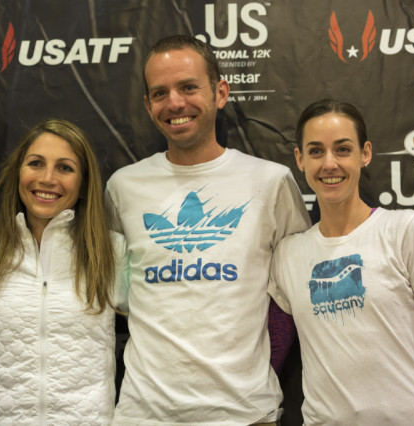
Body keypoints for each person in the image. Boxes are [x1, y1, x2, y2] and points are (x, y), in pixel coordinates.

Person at [105, 34, 310, 425]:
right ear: (148, 106)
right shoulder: (122, 187)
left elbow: (300, 295)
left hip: (245, 413)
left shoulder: (271, 183)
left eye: (188, 87)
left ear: (220, 92)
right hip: (144, 414)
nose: (175, 103)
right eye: (160, 93)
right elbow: (118, 293)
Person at [268, 98, 414, 425]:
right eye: (316, 151)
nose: (329, 163)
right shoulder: (288, 255)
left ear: (365, 154)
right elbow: (270, 355)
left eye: (343, 149)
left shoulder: (405, 230)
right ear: (300, 159)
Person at [0, 119, 127, 424]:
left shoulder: (111, 253)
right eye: (36, 163)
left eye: (65, 168)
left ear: (83, 184)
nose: (47, 178)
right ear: (18, 173)